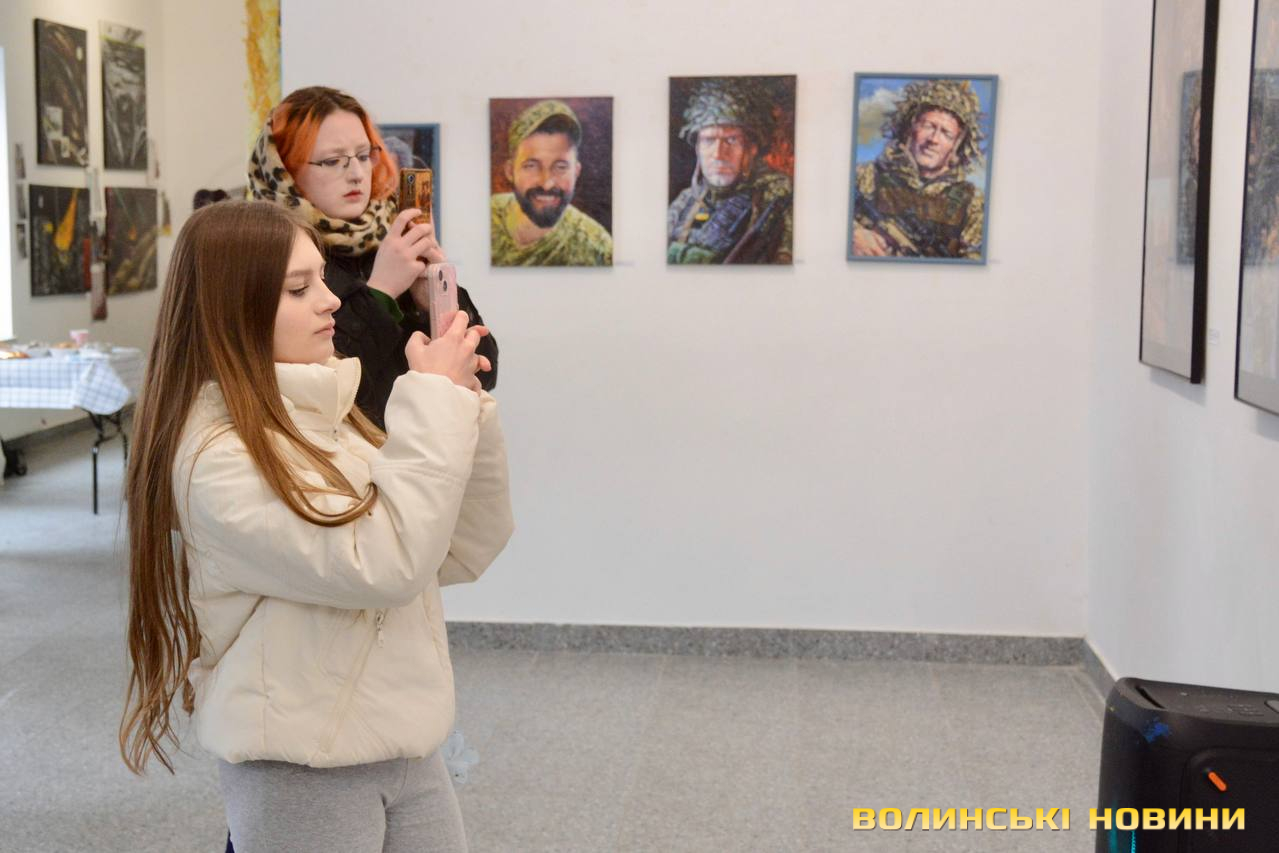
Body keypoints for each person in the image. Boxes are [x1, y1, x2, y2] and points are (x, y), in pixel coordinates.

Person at [119, 200, 514, 852]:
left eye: (322, 280)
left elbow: (459, 548)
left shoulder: (329, 416)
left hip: (403, 738)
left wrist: (465, 406)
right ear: (234, 309)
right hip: (300, 762)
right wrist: (433, 402)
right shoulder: (215, 457)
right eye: (299, 288)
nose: (331, 301)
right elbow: (385, 565)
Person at [250, 86, 498, 430]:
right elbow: (315, 391)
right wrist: (381, 292)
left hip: (422, 443)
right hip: (330, 453)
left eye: (364, 155)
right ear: (286, 170)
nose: (356, 173)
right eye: (333, 161)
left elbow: (484, 372)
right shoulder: (262, 254)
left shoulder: (392, 241)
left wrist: (436, 300)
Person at [851, 79, 987, 260]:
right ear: (909, 129)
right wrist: (854, 235)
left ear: (956, 146)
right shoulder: (865, 176)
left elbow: (976, 263)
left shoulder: (972, 203)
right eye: (928, 126)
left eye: (946, 133)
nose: (933, 139)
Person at [667, 79, 793, 264]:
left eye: (731, 140)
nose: (718, 154)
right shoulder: (685, 201)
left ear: (751, 148)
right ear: (697, 148)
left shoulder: (778, 199)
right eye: (709, 140)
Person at [490, 99, 613, 266]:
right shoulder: (484, 218)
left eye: (560, 167)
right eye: (531, 166)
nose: (546, 183)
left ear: (576, 172)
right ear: (510, 171)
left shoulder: (599, 250)